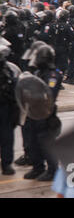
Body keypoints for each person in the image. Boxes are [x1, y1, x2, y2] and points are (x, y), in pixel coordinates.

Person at [24, 44, 63, 181]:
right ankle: (37, 167)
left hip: (45, 113)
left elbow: (49, 93)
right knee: (32, 141)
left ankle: (52, 170)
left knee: (45, 143)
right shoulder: (38, 72)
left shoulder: (53, 75)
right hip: (33, 111)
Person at [0, 45, 20, 176]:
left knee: (7, 137)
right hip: (5, 107)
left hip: (5, 107)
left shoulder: (9, 69)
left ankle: (7, 164)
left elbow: (16, 88)